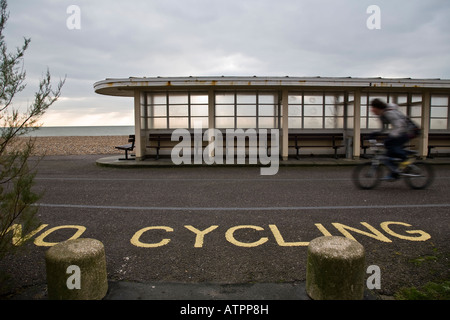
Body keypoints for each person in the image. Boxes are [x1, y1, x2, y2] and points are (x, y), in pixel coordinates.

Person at [369, 98, 411, 180]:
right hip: (401, 132)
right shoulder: (382, 115)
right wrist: (374, 133)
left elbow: (400, 126)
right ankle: (394, 173)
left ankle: (405, 159)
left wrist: (391, 136)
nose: (372, 110)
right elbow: (383, 129)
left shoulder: (389, 113)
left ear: (377, 107)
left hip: (408, 132)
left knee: (391, 145)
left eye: (373, 108)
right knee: (387, 155)